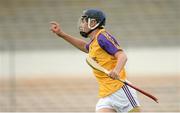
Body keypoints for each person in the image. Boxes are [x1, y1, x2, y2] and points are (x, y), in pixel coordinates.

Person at [50, 9, 140, 112]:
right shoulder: (95, 42)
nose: (82, 24)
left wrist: (116, 71)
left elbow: (122, 55)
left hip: (120, 91)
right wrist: (62, 34)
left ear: (93, 23)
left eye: (84, 21)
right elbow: (84, 46)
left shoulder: (103, 37)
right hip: (106, 94)